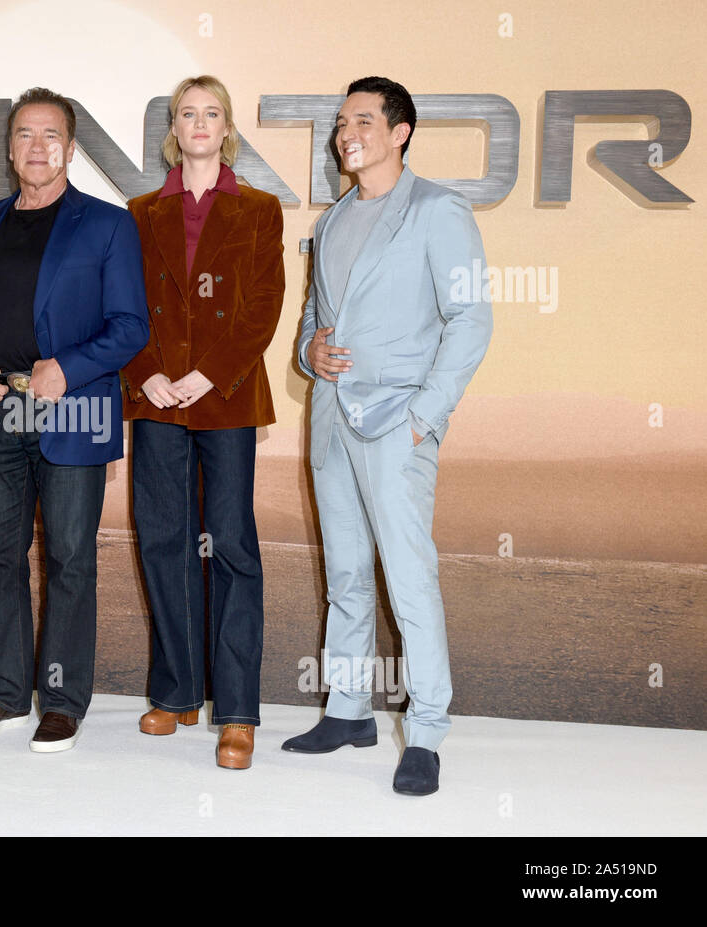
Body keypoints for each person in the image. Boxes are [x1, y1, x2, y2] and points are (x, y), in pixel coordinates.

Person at [285, 77, 492, 794]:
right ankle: (348, 710)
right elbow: (313, 317)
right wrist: (309, 351)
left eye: (363, 120)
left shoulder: (440, 211)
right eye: (343, 120)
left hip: (398, 423)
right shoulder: (337, 217)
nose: (347, 131)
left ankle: (427, 729)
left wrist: (423, 418)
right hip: (332, 421)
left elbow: (472, 320)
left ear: (400, 131)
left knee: (408, 577)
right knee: (344, 572)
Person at [0, 88, 149, 752]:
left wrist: (67, 367)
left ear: (70, 147)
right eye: (24, 135)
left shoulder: (108, 224)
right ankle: (5, 692)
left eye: (51, 135)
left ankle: (61, 700)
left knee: (69, 559)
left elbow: (130, 328)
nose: (37, 147)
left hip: (75, 410)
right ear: (9, 148)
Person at [121, 75, 285, 770]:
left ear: (226, 130)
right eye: (186, 113)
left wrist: (209, 372)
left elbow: (263, 305)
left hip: (227, 394)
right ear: (174, 128)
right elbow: (122, 305)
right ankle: (177, 691)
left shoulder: (258, 208)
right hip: (155, 394)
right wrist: (148, 370)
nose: (198, 123)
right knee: (164, 540)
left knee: (232, 546)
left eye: (210, 113)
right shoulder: (136, 213)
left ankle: (238, 711)